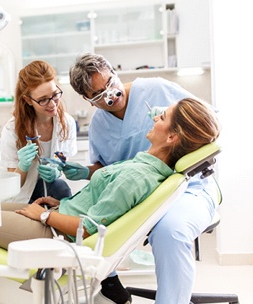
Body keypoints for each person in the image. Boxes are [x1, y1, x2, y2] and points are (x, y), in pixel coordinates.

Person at [0, 98, 220, 304]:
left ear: (173, 137)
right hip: (57, 215)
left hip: (54, 233)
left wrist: (44, 216)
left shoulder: (136, 176)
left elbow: (88, 228)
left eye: (162, 117)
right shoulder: (144, 164)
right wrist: (60, 204)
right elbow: (99, 204)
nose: (155, 116)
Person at [67, 53, 221, 304]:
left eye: (111, 84)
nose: (112, 95)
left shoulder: (156, 90)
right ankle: (110, 283)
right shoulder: (99, 126)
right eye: (99, 95)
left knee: (169, 231)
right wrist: (87, 171)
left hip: (188, 187)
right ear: (88, 100)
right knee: (90, 222)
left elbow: (210, 123)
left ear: (115, 72)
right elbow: (108, 170)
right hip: (139, 197)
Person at [0, 60, 77, 203]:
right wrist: (22, 166)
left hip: (50, 190)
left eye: (55, 94)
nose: (52, 104)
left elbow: (64, 156)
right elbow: (12, 186)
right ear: (28, 100)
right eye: (43, 100)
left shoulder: (67, 123)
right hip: (20, 196)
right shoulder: (12, 130)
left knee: (60, 187)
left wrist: (58, 169)